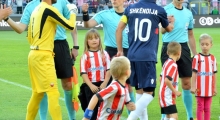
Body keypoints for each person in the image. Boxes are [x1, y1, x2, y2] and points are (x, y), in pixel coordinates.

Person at [5, 0, 79, 119]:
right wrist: (73, 12)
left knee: (38, 93)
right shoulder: (49, 9)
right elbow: (70, 25)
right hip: (44, 55)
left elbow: (28, 35)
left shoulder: (36, 9)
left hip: (34, 53)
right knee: (53, 92)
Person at [115, 0, 174, 119]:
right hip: (147, 56)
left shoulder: (130, 9)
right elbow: (168, 29)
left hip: (132, 55)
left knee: (139, 91)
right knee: (149, 93)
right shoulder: (159, 10)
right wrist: (171, 22)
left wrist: (120, 50)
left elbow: (119, 29)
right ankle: (130, 118)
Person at [81, 0, 135, 115]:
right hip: (110, 53)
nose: (114, 1)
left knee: (128, 86)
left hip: (129, 52)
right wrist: (85, 13)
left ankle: (132, 115)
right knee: (110, 87)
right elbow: (87, 25)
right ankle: (106, 114)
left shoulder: (131, 13)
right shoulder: (104, 14)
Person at [160, 0, 197, 119]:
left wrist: (195, 54)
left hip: (184, 48)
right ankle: (165, 115)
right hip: (169, 47)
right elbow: (161, 31)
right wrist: (168, 23)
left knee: (186, 83)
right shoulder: (165, 10)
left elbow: (190, 34)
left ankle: (189, 116)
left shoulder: (188, 13)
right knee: (167, 83)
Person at [82, 56, 136, 120]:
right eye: (130, 68)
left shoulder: (125, 87)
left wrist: (131, 107)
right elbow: (96, 97)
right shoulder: (114, 87)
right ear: (127, 72)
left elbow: (128, 104)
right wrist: (87, 117)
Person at [79, 28, 111, 120]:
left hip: (102, 85)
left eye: (96, 38)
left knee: (104, 110)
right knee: (91, 111)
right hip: (90, 86)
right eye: (91, 38)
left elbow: (109, 70)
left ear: (99, 40)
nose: (94, 40)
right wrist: (90, 85)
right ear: (87, 41)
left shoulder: (104, 53)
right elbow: (83, 72)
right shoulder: (85, 55)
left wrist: (105, 83)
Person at [190, 33, 217, 120]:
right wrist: (193, 86)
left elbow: (214, 74)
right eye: (202, 44)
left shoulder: (213, 58)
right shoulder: (197, 57)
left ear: (211, 45)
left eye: (207, 44)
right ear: (199, 45)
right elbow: (194, 73)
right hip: (199, 88)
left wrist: (214, 88)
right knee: (200, 106)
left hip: (209, 88)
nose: (204, 46)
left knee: (208, 108)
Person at [159, 42, 182, 120]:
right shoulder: (173, 65)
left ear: (167, 52)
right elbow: (167, 80)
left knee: (168, 116)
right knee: (174, 117)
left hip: (163, 94)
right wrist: (175, 91)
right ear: (179, 53)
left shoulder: (166, 62)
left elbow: (160, 78)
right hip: (167, 95)